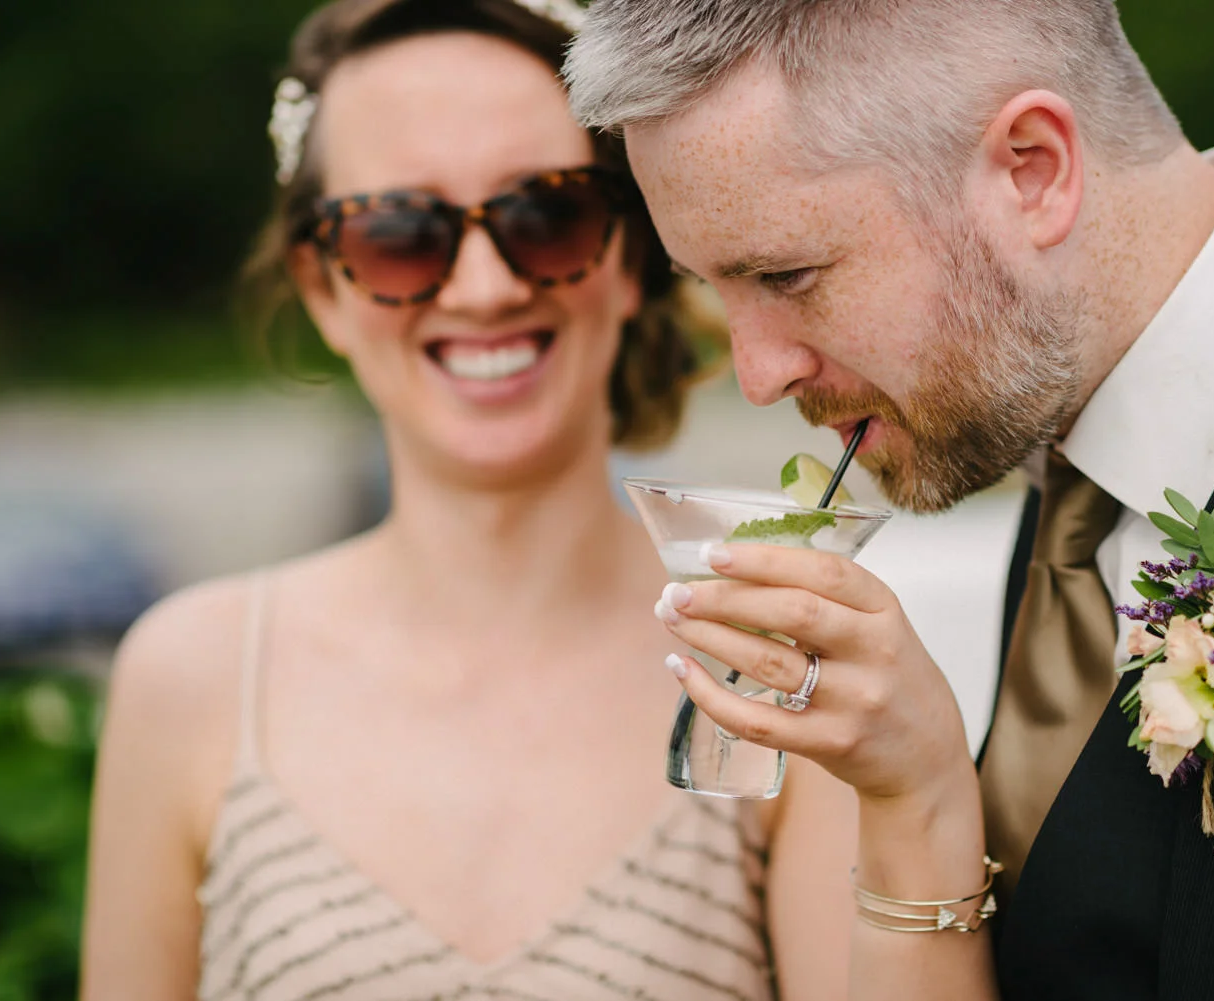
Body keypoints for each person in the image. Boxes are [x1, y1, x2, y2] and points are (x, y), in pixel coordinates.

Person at [565, 1, 1214, 998]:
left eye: (789, 273)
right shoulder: (1053, 436)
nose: (757, 373)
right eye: (710, 286)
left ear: (1033, 169)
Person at [80, 2, 872, 998]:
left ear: (632, 255)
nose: (486, 285)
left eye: (547, 215)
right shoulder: (188, 680)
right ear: (323, 287)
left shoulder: (771, 663)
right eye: (401, 233)